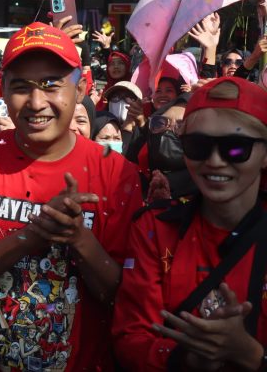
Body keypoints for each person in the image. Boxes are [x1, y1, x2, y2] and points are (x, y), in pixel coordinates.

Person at [0, 21, 142, 370]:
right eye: (21, 87)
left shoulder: (118, 173)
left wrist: (79, 239)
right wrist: (29, 238)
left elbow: (125, 300)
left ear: (78, 91)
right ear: (1, 91)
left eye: (51, 85)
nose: (36, 102)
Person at [113, 77, 267, 370]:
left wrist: (250, 355)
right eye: (198, 146)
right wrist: (187, 357)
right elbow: (130, 338)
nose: (215, 161)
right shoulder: (155, 229)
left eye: (236, 147)